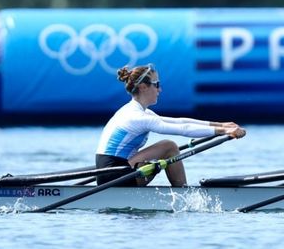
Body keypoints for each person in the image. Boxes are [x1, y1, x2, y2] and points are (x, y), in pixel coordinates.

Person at [95, 63, 246, 187]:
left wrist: (223, 125)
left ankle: (181, 191)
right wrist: (222, 132)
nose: (160, 89)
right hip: (113, 176)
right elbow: (183, 129)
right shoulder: (137, 116)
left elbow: (179, 121)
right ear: (143, 87)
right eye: (156, 84)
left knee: (164, 150)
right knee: (169, 147)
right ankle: (184, 194)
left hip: (113, 171)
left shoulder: (138, 111)